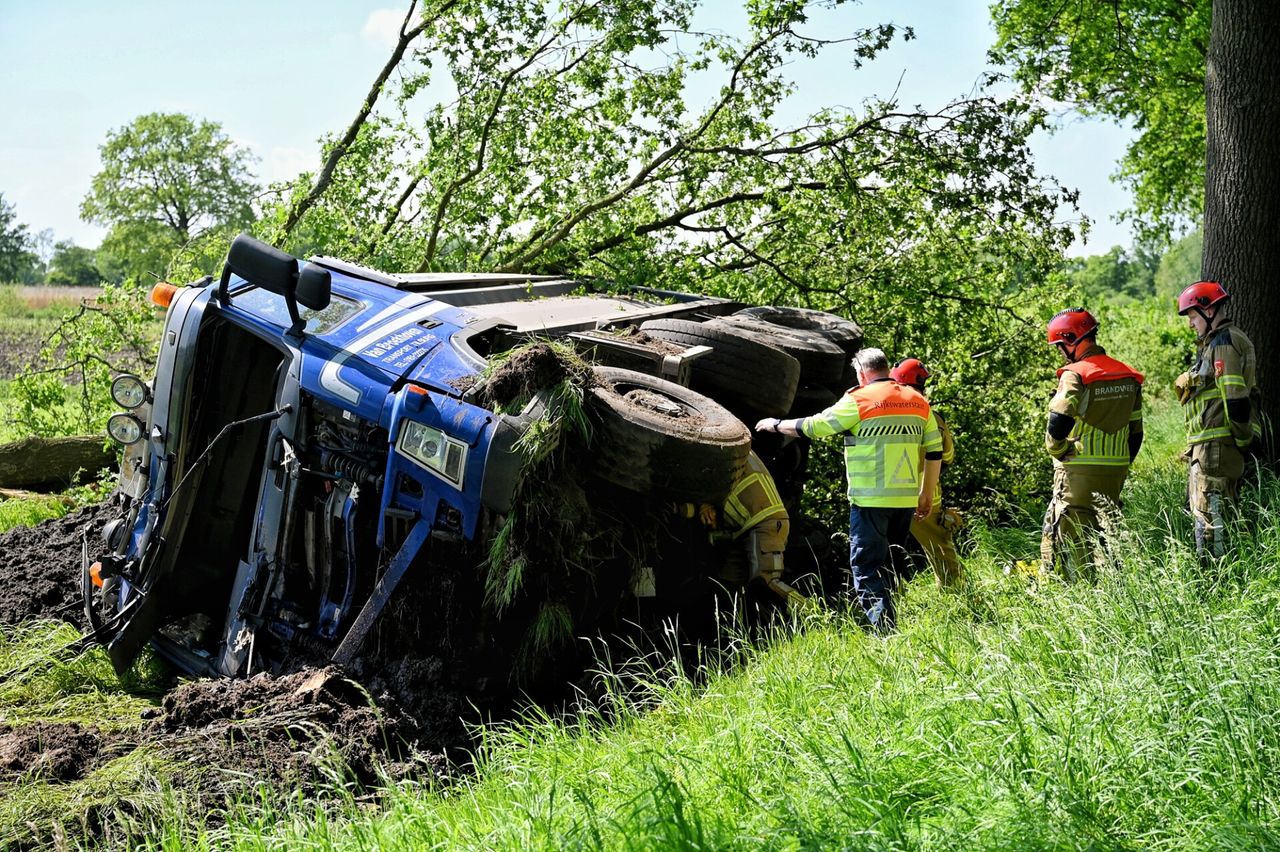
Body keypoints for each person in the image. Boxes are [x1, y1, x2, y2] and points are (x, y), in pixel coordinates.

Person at [755, 348, 942, 631]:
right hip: (905, 498)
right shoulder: (917, 401)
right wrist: (926, 493)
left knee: (866, 567)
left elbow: (817, 426)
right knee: (890, 563)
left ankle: (884, 633)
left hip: (870, 499)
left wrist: (777, 425)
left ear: (862, 373)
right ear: (885, 368)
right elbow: (934, 452)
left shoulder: (860, 399)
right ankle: (892, 622)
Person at [1041, 307, 1144, 578]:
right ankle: (1117, 596)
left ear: (1071, 339)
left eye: (1060, 345)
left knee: (1073, 542)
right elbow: (1136, 433)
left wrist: (1060, 451)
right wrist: (1120, 465)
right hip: (1116, 471)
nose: (1060, 352)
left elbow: (1058, 422)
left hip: (1078, 474)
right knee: (1109, 539)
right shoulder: (1128, 375)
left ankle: (1081, 598)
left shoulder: (1075, 374)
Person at [1174, 281, 1259, 559]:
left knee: (1212, 522)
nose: (1190, 325)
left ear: (1209, 310)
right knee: (1208, 516)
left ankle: (1215, 584)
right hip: (1209, 449)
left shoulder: (1224, 343)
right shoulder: (1214, 345)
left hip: (1217, 450)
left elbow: (1235, 401)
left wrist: (1244, 440)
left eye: (1193, 316)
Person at [891, 358, 963, 587]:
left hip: (888, 495)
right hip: (927, 496)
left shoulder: (882, 415)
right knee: (940, 551)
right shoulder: (933, 418)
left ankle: (890, 603)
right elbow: (948, 457)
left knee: (885, 553)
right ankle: (957, 597)